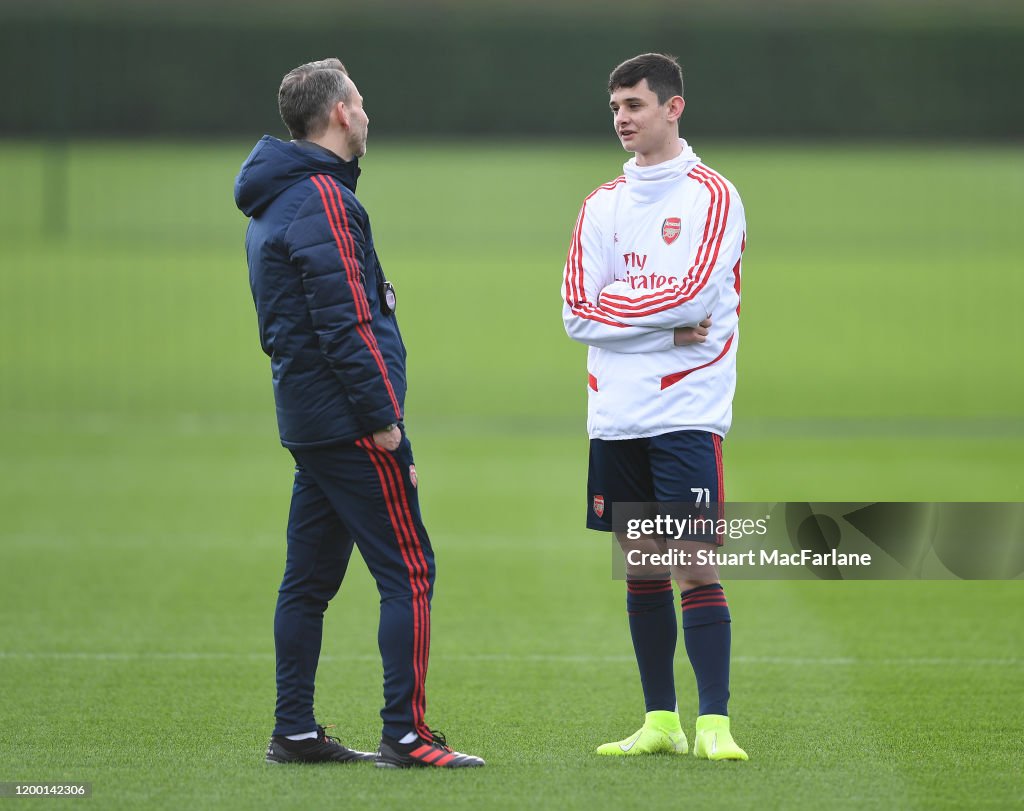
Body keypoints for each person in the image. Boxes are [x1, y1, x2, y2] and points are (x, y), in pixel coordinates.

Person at [234, 58, 484, 769]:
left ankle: (295, 730)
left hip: (309, 419)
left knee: (306, 583)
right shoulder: (321, 198)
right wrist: (384, 418)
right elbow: (346, 323)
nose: (367, 114)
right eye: (362, 103)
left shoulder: (278, 197)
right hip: (350, 422)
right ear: (341, 114)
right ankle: (406, 736)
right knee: (409, 569)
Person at [561, 53, 748, 761]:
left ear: (673, 108)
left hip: (685, 411)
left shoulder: (713, 196)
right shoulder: (600, 204)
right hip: (615, 415)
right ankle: (660, 719)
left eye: (634, 105)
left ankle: (716, 724)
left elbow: (700, 297)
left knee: (694, 563)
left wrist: (624, 308)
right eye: (615, 107)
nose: (621, 118)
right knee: (641, 565)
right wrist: (664, 327)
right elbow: (577, 311)